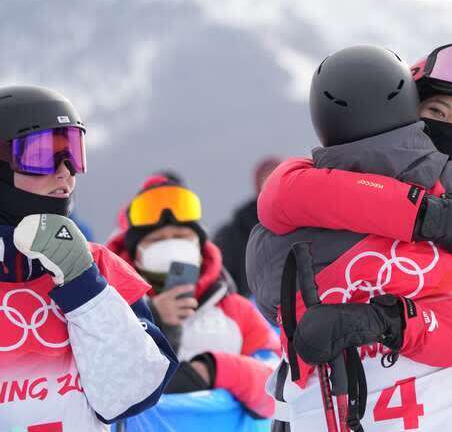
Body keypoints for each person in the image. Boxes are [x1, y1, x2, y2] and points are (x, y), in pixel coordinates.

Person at [247, 44, 452, 431]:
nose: (450, 129)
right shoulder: (326, 183)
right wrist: (426, 215)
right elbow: (281, 204)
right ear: (405, 113)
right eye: (436, 112)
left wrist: (386, 321)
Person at [0, 84, 178, 431]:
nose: (65, 171)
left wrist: (84, 285)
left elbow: (131, 393)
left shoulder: (100, 266)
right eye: (40, 155)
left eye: (72, 153)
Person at [106, 176, 282, 418]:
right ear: (135, 254)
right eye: (156, 240)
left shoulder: (235, 310)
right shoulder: (109, 311)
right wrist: (152, 320)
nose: (170, 246)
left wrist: (213, 370)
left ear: (200, 249)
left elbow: (278, 389)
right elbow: (102, 383)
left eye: (180, 236)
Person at [214, 156, 282, 296]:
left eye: (280, 180)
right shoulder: (233, 235)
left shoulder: (308, 224)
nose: (274, 188)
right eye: (268, 181)